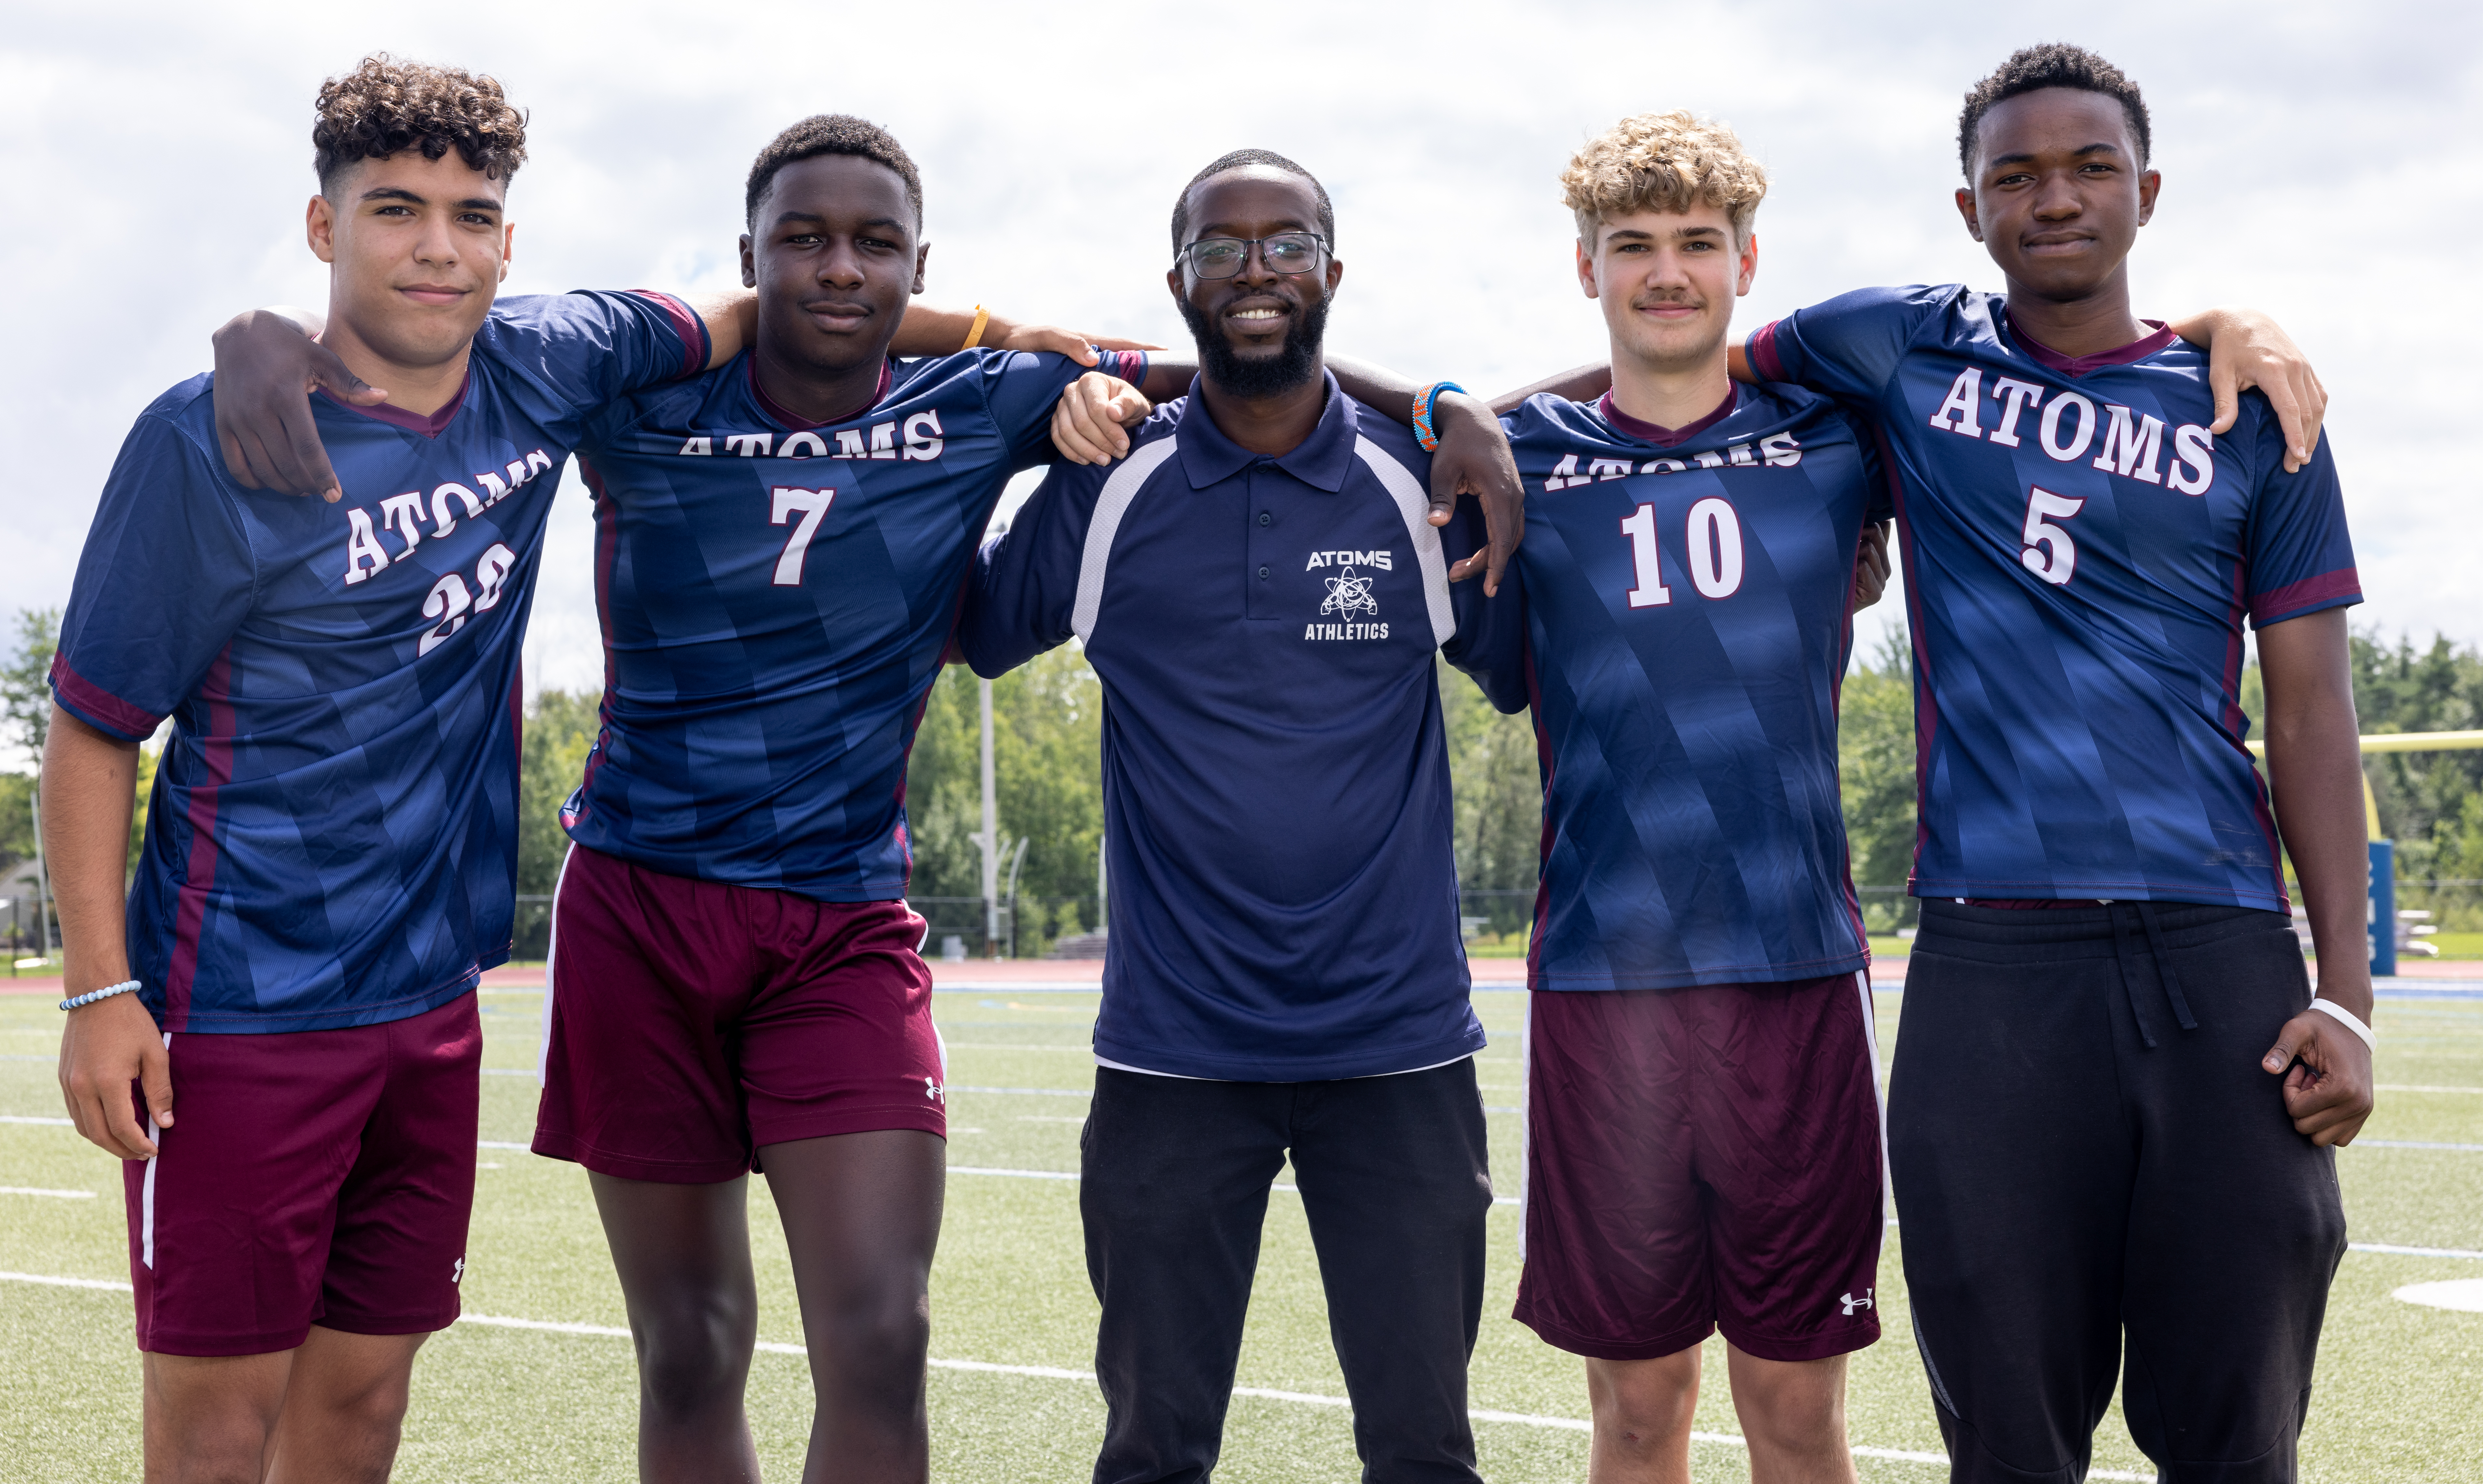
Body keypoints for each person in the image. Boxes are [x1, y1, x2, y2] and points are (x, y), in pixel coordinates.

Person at [209, 111, 1164, 1484]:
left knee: (882, 1336)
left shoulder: (988, 398)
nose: (841, 267)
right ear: (749, 257)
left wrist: (1437, 413)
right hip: (640, 915)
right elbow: (433, 329)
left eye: (876, 244)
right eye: (805, 241)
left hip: (840, 921)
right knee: (692, 1344)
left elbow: (1230, 361)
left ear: (921, 263)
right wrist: (259, 328)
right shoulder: (642, 395)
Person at [1528, 46, 2371, 1483]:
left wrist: (2346, 995)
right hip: (1993, 953)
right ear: (1968, 209)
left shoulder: (2256, 412)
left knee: (2238, 1427)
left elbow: (2312, 712)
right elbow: (1676, 365)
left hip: (2221, 947)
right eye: (2017, 176)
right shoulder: (1901, 348)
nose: (2056, 198)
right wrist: (1477, 429)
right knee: (2007, 1429)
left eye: (2092, 167)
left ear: (2148, 191)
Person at [46, 55, 749, 1484]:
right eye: (394, 209)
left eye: (472, 214)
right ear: (324, 231)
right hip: (238, 1010)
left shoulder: (548, 360)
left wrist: (1021, 339)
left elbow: (757, 310)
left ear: (509, 238)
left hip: (430, 1003)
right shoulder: (209, 439)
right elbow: (94, 726)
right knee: (214, 1426)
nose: (437, 246)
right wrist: (98, 992)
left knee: (364, 1406)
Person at [961, 150, 1502, 1484]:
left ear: (1331, 270)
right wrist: (1041, 427)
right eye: (1222, 249)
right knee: (1152, 1451)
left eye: (1287, 244)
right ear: (1178, 282)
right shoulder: (1110, 478)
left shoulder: (1416, 483)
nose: (1256, 271)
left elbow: (1548, 661)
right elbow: (968, 631)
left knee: (1426, 1450)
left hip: (1399, 1050)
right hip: (1172, 1056)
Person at [1452, 113, 1894, 1484]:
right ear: (1584, 267)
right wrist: (1479, 410)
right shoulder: (1515, 465)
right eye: (1631, 247)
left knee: (1798, 1414)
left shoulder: (1841, 445)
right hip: (1608, 986)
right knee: (1638, 1414)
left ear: (1747, 262)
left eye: (1697, 244)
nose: (1665, 274)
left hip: (1795, 975)